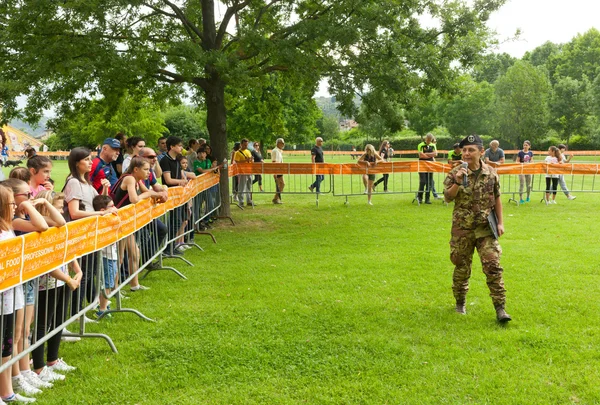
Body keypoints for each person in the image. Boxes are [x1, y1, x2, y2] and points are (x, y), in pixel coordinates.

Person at [443, 134, 511, 323]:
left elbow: (497, 197)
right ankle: (460, 303)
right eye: (464, 150)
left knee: (493, 266)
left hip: (485, 228)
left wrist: (500, 222)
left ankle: (500, 308)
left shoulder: (491, 172)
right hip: (462, 229)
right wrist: (457, 181)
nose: (466, 153)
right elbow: (448, 197)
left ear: (481, 152)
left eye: (471, 150)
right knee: (461, 267)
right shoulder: (455, 172)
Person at [32, 190, 81, 380]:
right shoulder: (41, 230)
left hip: (63, 280)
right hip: (48, 283)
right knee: (43, 324)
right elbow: (47, 263)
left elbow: (67, 251)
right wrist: (68, 278)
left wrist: (77, 271)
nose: (61, 213)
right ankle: (39, 366)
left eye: (61, 208)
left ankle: (52, 359)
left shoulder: (60, 229)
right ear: (46, 208)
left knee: (59, 320)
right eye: (58, 208)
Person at [64, 147, 117, 321]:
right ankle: (77, 313)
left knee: (89, 272)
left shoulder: (86, 182)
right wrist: (100, 214)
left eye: (90, 159)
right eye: (86, 159)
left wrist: (104, 191)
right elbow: (74, 212)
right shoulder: (73, 182)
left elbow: (96, 203)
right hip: (80, 233)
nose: (90, 162)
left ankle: (82, 310)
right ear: (76, 163)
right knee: (83, 274)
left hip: (89, 233)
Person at [0, 185, 37, 403]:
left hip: (11, 297)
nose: (15, 206)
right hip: (3, 296)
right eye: (11, 203)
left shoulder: (7, 227)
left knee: (6, 344)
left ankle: (7, 393)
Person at [159, 136, 188, 254]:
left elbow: (180, 175)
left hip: (178, 196)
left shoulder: (176, 160)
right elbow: (168, 180)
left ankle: (172, 245)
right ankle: (167, 248)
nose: (181, 148)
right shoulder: (165, 160)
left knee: (178, 221)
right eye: (179, 146)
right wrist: (180, 182)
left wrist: (183, 179)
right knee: (174, 221)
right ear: (172, 147)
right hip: (171, 195)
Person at [417, 133, 437, 204]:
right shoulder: (421, 145)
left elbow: (435, 154)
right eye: (428, 140)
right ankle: (419, 197)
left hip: (430, 166)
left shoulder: (433, 145)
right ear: (426, 139)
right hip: (422, 165)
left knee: (429, 182)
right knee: (423, 181)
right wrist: (430, 155)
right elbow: (421, 156)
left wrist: (426, 155)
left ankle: (427, 199)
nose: (429, 141)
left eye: (430, 140)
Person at [233, 139, 253, 206]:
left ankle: (249, 200)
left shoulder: (248, 151)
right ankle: (241, 201)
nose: (246, 146)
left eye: (247, 145)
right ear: (241, 144)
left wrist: (251, 160)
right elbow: (237, 162)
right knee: (242, 186)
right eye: (244, 145)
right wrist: (245, 160)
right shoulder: (237, 153)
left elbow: (250, 160)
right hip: (242, 172)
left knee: (249, 186)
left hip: (249, 171)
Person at [271, 138, 285, 204]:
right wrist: (275, 172)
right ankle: (276, 198)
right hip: (277, 170)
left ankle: (276, 198)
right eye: (282, 143)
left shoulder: (279, 151)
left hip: (280, 170)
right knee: (281, 184)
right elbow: (274, 162)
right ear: (278, 143)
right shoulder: (275, 151)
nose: (283, 144)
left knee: (281, 184)